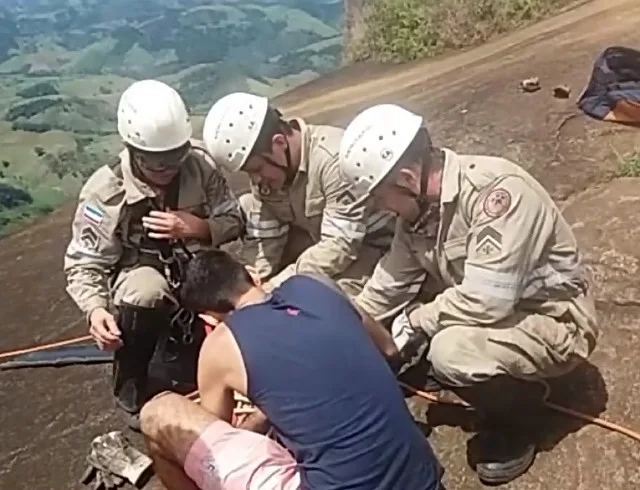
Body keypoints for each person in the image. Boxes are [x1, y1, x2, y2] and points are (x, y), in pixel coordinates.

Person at [338, 104, 600, 485]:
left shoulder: (496, 193)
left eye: (379, 196)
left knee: (449, 351)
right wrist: (338, 330)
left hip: (555, 321)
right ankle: (502, 377)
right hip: (504, 318)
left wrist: (417, 322)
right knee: (429, 339)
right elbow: (385, 286)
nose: (379, 207)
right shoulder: (418, 215)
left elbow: (486, 300)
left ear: (408, 178)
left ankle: (524, 417)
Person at [139, 249, 445, 490]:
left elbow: (218, 439)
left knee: (157, 413)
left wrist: (259, 418)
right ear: (252, 275)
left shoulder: (221, 343)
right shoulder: (316, 284)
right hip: (422, 477)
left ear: (210, 318)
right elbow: (389, 350)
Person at [63, 79, 245, 430]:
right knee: (142, 291)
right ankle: (132, 381)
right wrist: (96, 309)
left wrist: (197, 228)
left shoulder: (200, 165)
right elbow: (85, 262)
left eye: (175, 158)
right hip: (143, 273)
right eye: (155, 162)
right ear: (131, 149)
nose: (168, 169)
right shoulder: (106, 192)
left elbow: (233, 217)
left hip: (198, 263)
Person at [201, 92, 396, 295]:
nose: (256, 180)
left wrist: (278, 284)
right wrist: (247, 284)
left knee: (328, 300)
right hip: (321, 242)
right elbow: (265, 237)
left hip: (373, 246)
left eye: (257, 169)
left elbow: (340, 246)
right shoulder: (271, 173)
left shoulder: (333, 161)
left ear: (279, 143)